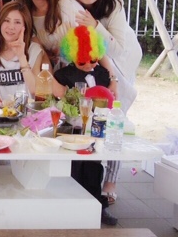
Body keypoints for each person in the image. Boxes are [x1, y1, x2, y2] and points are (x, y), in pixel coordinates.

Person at [64, 0, 141, 204]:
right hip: (92, 62)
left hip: (121, 59)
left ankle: (111, 181)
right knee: (87, 117)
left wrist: (95, 26)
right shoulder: (68, 5)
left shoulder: (112, 3)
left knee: (116, 119)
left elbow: (118, 49)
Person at [54, 25, 119, 226]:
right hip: (73, 127)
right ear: (71, 56)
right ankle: (71, 207)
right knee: (74, 167)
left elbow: (111, 97)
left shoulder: (103, 73)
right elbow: (56, 101)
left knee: (94, 166)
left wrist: (113, 84)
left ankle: (97, 206)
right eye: (82, 61)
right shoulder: (63, 74)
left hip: (97, 126)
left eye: (93, 59)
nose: (89, 65)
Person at [17, 0, 84, 68]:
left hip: (82, 68)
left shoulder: (66, 5)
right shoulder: (25, 15)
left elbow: (91, 38)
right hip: (51, 72)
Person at [0, 1, 46, 102]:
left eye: (17, 22)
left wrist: (21, 57)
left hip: (28, 110)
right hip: (0, 110)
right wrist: (6, 110)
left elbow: (36, 91)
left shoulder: (34, 50)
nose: (11, 27)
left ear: (25, 26)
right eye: (6, 20)